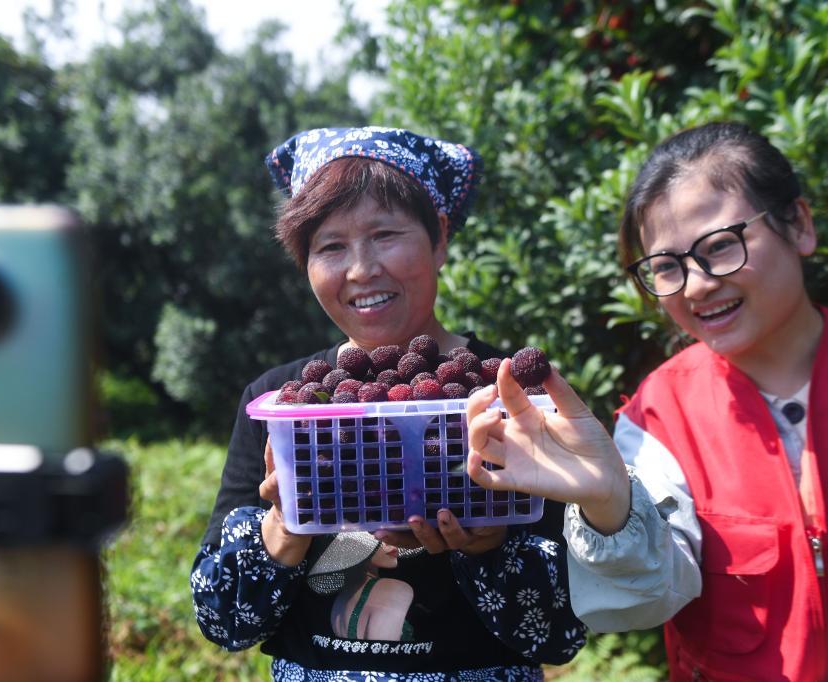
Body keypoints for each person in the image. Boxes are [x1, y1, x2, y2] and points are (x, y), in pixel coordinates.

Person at [465, 121, 828, 681]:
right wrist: (609, 505)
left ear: (800, 225)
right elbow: (648, 597)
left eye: (720, 247)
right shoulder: (660, 417)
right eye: (666, 267)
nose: (695, 286)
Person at [190, 127, 585, 681]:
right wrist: (285, 525)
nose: (361, 269)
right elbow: (223, 622)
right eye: (331, 246)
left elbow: (562, 631)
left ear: (439, 238)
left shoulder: (512, 397)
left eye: (384, 234)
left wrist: (489, 548)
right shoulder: (277, 402)